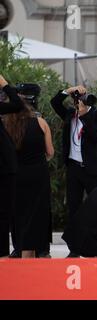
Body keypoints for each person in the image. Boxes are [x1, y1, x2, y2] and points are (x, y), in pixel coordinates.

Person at [3, 84, 54, 259]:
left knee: (18, 213)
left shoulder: (7, 125)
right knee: (37, 213)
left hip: (16, 175)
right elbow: (50, 152)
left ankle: (20, 249)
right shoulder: (41, 123)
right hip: (38, 174)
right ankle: (36, 251)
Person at [50, 86, 97, 221]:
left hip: (92, 168)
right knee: (74, 206)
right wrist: (68, 91)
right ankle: (75, 240)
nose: (79, 101)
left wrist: (84, 115)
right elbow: (55, 103)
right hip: (74, 168)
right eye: (77, 98)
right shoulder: (70, 114)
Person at [0, 75, 24, 258]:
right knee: (4, 212)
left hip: (7, 167)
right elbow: (17, 104)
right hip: (6, 168)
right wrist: (5, 84)